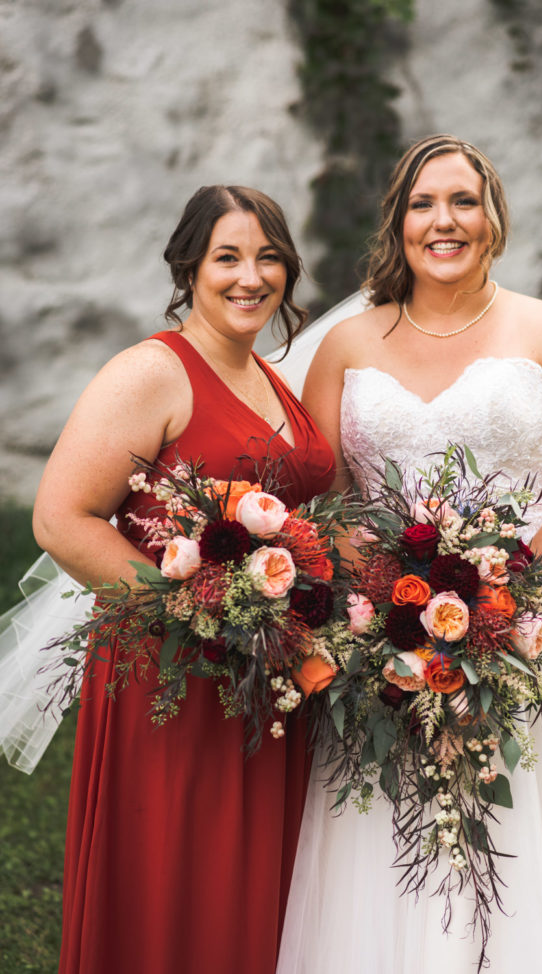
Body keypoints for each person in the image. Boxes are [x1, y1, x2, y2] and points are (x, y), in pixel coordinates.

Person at [275, 136, 542, 973]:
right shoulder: (346, 347)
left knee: (534, 845)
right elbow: (326, 500)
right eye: (422, 203)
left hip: (537, 634)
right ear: (397, 222)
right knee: (391, 848)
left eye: (464, 201)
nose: (444, 221)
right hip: (385, 641)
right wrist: (390, 611)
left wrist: (493, 603)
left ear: (494, 218)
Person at [30, 185, 335, 974]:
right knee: (177, 886)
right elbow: (63, 518)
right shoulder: (152, 373)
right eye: (227, 256)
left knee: (256, 896)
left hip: (268, 678)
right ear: (189, 267)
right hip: (176, 676)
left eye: (269, 257)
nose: (251, 277)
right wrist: (201, 613)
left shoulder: (271, 378)